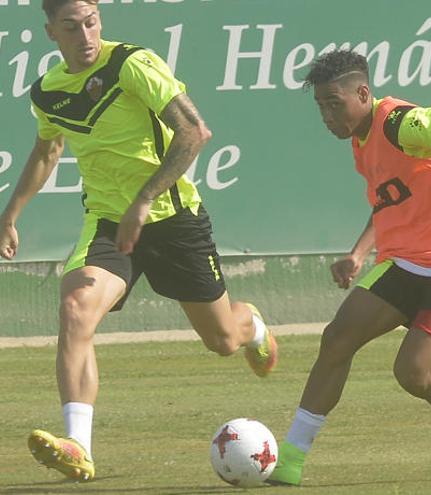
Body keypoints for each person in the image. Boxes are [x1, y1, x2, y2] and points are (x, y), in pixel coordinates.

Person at [0, 0, 279, 482]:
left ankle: (250, 324)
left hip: (173, 218)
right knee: (75, 308)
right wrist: (10, 214)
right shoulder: (47, 93)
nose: (85, 35)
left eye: (91, 23)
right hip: (109, 222)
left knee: (222, 341)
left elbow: (195, 132)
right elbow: (48, 150)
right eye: (71, 27)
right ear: (51, 33)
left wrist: (145, 200)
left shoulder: (131, 64)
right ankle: (78, 446)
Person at [266, 49, 431, 486]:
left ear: (363, 93)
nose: (327, 116)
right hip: (408, 261)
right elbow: (392, 198)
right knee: (337, 338)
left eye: (334, 103)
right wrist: (360, 251)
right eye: (320, 107)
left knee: (412, 373)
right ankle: (290, 457)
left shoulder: (401, 122)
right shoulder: (362, 142)